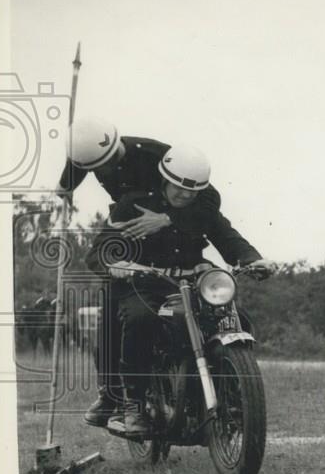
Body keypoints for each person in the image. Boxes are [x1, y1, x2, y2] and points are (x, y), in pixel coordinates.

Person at [86, 144, 274, 436]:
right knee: (140, 320)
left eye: (193, 190)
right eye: (179, 187)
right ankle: (133, 405)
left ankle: (234, 392)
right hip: (143, 283)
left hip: (191, 281)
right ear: (164, 178)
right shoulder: (133, 204)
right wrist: (115, 263)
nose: (185, 194)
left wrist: (254, 260)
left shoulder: (201, 212)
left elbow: (228, 238)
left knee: (237, 316)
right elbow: (99, 251)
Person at [58, 117, 224, 427]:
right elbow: (78, 164)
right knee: (112, 314)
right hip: (127, 240)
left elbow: (209, 198)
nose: (105, 171)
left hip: (170, 235)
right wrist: (63, 189)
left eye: (110, 161)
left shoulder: (158, 155)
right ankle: (111, 395)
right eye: (98, 168)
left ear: (117, 143)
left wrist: (167, 218)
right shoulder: (89, 156)